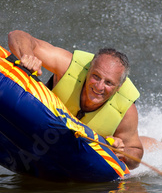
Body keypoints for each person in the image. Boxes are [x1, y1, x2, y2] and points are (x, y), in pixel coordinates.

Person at [8, 30, 149, 169]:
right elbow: (18, 35)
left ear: (119, 87)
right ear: (89, 69)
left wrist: (122, 151)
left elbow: (136, 152)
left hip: (86, 145)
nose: (99, 86)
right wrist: (28, 55)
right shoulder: (67, 66)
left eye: (108, 83)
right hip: (49, 129)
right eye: (96, 76)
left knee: (149, 144)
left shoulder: (126, 110)